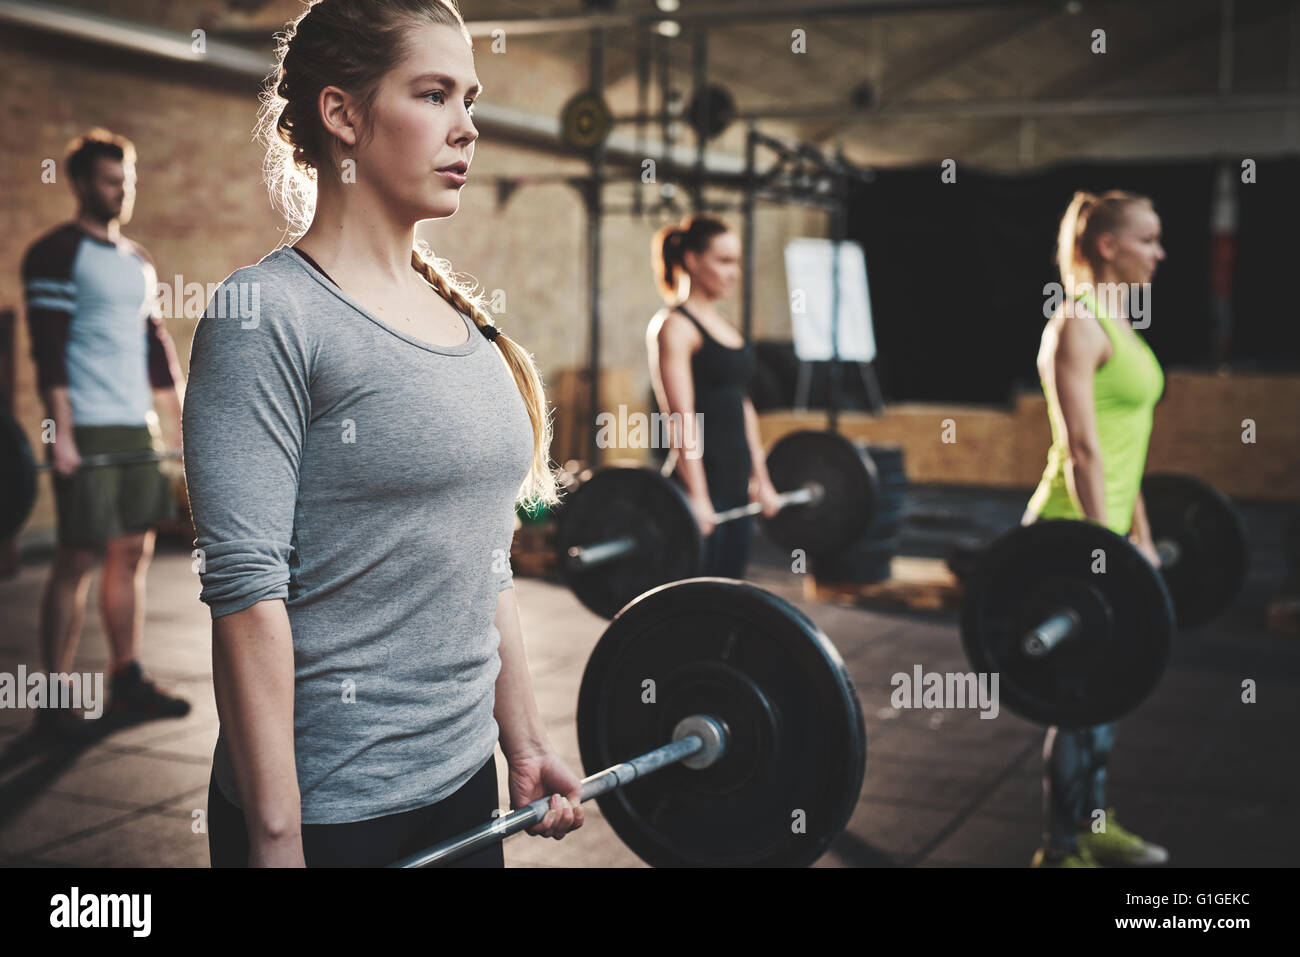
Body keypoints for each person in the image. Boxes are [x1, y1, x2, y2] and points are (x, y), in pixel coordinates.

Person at [184, 0, 583, 868]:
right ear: (344, 115)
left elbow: (490, 561)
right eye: (435, 94)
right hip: (328, 813)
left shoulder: (464, 324)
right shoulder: (268, 315)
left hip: (461, 789)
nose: (467, 128)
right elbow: (247, 596)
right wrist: (276, 836)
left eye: (470, 98)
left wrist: (523, 742)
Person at [20, 127, 190, 741]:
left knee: (131, 551)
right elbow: (48, 349)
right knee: (77, 556)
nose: (122, 192)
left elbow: (154, 346)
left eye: (128, 181)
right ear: (81, 184)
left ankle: (125, 680)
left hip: (133, 426)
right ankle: (55, 696)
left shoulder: (137, 262)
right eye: (111, 181)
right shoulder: (55, 255)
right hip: (84, 426)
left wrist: (177, 421)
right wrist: (60, 434)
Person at [1023, 189, 1171, 868]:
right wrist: (1103, 546)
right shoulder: (1076, 325)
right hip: (1068, 532)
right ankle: (1060, 848)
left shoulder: (1121, 322)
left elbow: (1124, 450)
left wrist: (1138, 533)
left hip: (1109, 533)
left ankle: (1094, 823)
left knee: (1105, 691)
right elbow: (1083, 448)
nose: (1159, 252)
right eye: (1147, 239)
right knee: (1079, 695)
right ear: (1107, 245)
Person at [646, 215, 783, 578]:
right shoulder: (675, 326)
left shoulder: (726, 327)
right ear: (692, 260)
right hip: (701, 484)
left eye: (736, 261)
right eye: (723, 261)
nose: (734, 272)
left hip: (735, 482)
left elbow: (743, 406)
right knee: (696, 597)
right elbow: (679, 416)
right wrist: (700, 497)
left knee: (729, 591)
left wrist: (762, 478)